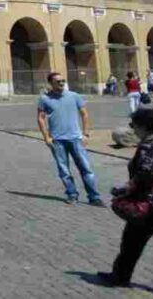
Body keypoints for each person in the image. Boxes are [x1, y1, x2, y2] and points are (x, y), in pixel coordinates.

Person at [98, 107, 153, 287]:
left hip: (147, 204)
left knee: (131, 243)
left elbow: (145, 175)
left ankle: (120, 277)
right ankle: (120, 276)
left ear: (144, 126)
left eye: (134, 125)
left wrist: (122, 190)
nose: (132, 129)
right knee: (132, 243)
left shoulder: (149, 145)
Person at [37, 72, 105, 206]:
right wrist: (46, 138)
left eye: (63, 81)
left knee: (86, 169)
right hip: (57, 140)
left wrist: (85, 134)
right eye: (58, 81)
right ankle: (72, 194)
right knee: (64, 170)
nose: (62, 83)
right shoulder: (44, 99)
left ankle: (94, 197)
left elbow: (84, 114)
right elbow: (40, 118)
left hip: (76, 139)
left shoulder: (74, 96)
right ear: (50, 83)